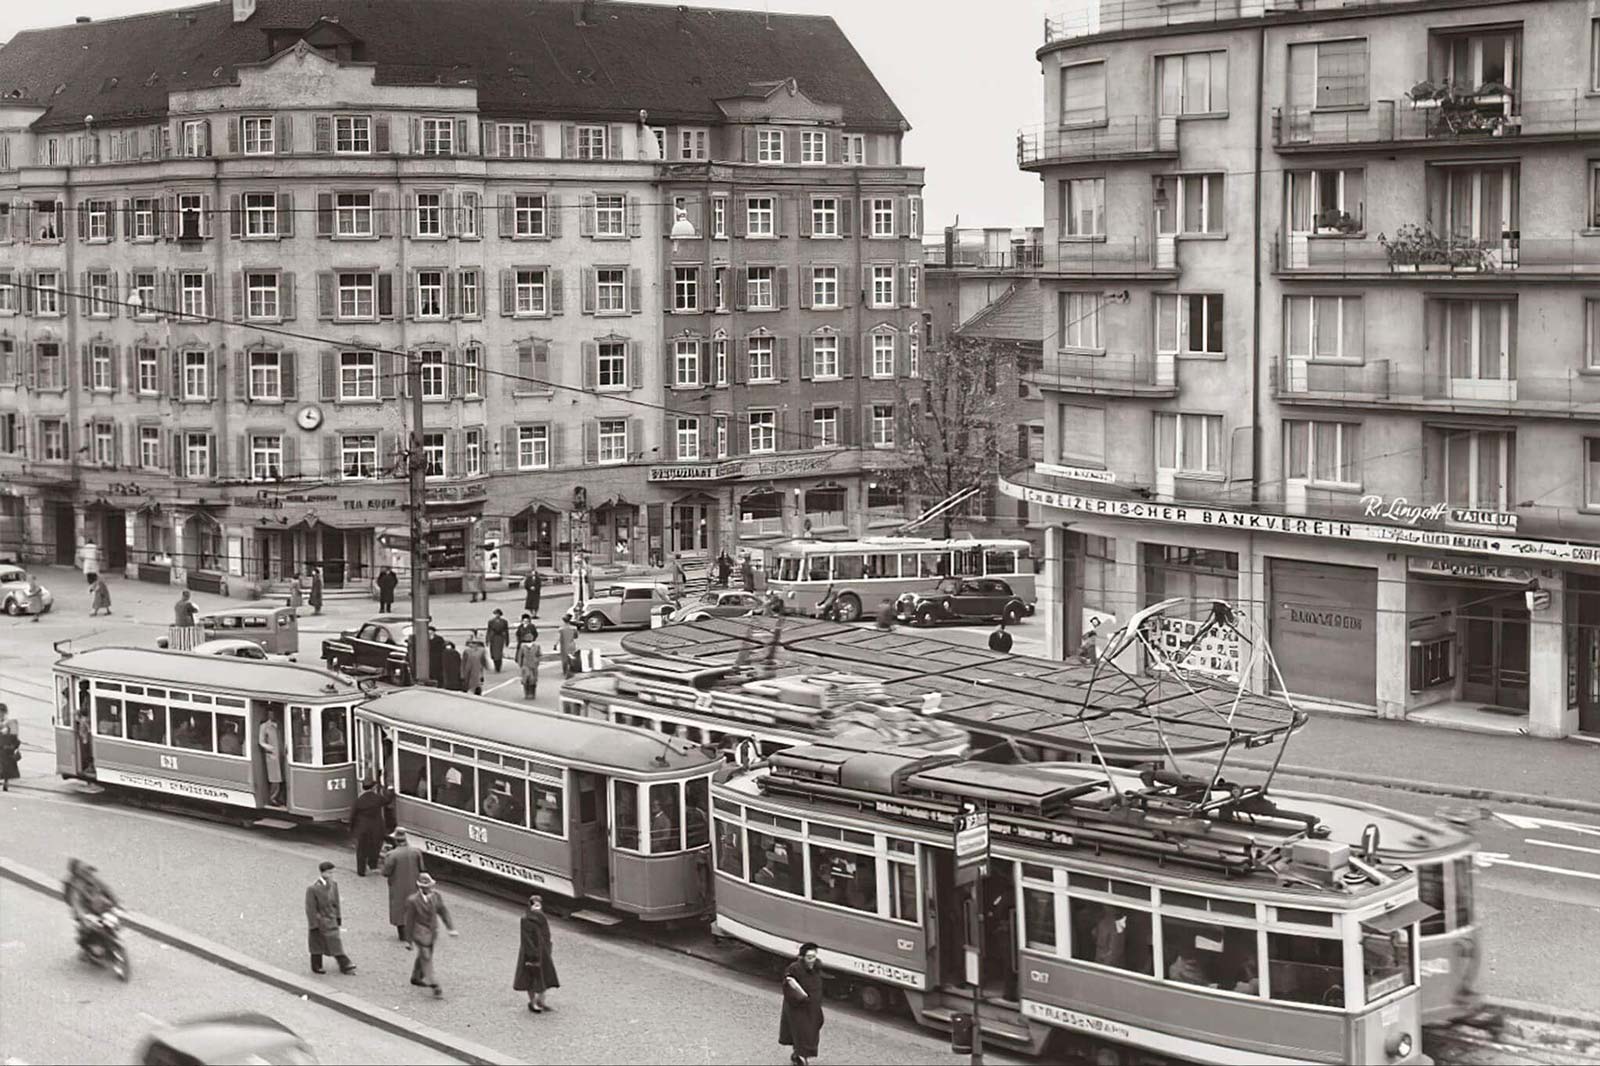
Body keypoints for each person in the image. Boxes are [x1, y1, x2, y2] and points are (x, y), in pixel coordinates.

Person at [402, 872, 457, 998]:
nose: (431, 888)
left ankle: (416, 977)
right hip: (419, 933)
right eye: (428, 887)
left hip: (432, 933)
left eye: (431, 886)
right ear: (421, 888)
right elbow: (409, 921)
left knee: (425, 955)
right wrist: (409, 940)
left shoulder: (436, 896)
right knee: (426, 957)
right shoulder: (412, 901)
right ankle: (434, 984)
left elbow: (443, 911)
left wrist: (450, 928)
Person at [779, 941, 826, 1066]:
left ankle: (798, 1054)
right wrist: (801, 998)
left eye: (814, 957)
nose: (812, 960)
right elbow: (788, 986)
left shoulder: (817, 968)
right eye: (809, 957)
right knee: (801, 1032)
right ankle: (801, 1057)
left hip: (813, 1008)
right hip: (798, 1008)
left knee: (810, 1032)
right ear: (803, 957)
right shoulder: (794, 969)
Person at [306, 861, 356, 975]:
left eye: (332, 873)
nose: (331, 875)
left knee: (335, 941)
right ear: (322, 873)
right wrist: (313, 924)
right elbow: (310, 908)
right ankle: (317, 965)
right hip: (320, 919)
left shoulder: (334, 885)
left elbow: (336, 903)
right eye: (329, 873)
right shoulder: (313, 889)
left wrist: (338, 917)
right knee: (317, 943)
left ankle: (344, 963)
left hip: (331, 918)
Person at [513, 895, 560, 1013]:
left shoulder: (541, 917)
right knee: (531, 977)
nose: (537, 907)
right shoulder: (526, 919)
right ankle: (533, 1002)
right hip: (531, 953)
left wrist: (548, 948)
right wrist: (532, 955)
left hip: (543, 951)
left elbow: (546, 934)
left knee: (543, 976)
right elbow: (527, 939)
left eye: (539, 904)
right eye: (535, 904)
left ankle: (541, 1001)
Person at [382, 830, 427, 941]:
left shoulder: (392, 855)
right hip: (414, 885)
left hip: (397, 886)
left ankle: (403, 935)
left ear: (396, 841)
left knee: (399, 909)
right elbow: (422, 868)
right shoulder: (416, 852)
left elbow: (386, 872)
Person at [350, 778, 389, 877]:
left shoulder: (359, 800)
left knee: (361, 850)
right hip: (376, 828)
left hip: (362, 829)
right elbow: (387, 800)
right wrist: (390, 790)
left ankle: (361, 871)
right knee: (375, 847)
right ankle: (372, 865)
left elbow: (352, 816)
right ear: (373, 787)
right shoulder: (377, 798)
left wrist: (352, 829)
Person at [259, 709, 285, 806]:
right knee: (275, 778)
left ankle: (280, 797)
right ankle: (272, 798)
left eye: (273, 713)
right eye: (270, 713)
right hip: (272, 755)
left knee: (283, 777)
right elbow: (261, 742)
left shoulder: (280, 725)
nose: (272, 715)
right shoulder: (264, 726)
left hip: (282, 754)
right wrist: (271, 748)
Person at [461, 631, 489, 695]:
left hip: (476, 671)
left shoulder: (481, 651)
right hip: (470, 671)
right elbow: (463, 663)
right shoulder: (467, 651)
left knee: (475, 685)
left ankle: (476, 692)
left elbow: (483, 661)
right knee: (471, 685)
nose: (472, 645)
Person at [516, 634, 542, 700]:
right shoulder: (523, 646)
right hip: (526, 665)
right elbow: (520, 656)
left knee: (533, 680)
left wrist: (537, 661)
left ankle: (532, 693)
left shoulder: (536, 646)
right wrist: (520, 665)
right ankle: (527, 693)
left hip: (533, 665)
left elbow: (539, 655)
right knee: (526, 680)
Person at [0, 703, 20, 792]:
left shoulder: (11, 722)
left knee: (6, 767)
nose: (1, 714)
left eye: (2, 712)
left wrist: (14, 746)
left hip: (6, 748)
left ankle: (6, 782)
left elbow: (14, 736)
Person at [74, 707, 95, 772]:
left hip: (85, 740)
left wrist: (87, 737)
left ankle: (90, 767)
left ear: (78, 716)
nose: (75, 718)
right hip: (84, 739)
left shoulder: (84, 720)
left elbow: (89, 729)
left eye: (75, 716)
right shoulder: (82, 720)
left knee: (87, 754)